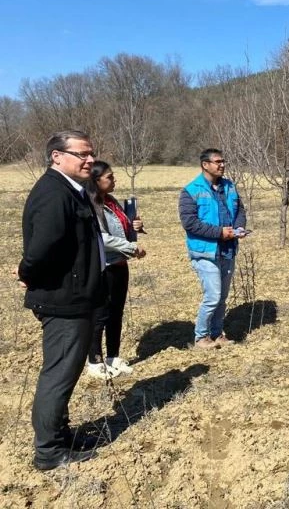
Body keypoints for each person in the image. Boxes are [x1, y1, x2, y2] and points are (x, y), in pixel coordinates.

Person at [18, 130, 105, 470]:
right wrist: (27, 272)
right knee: (58, 374)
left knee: (65, 373)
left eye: (91, 154)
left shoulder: (71, 190)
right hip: (63, 300)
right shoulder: (54, 193)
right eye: (82, 154)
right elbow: (41, 249)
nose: (90, 160)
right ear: (57, 156)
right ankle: (49, 451)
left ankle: (61, 435)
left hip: (75, 296)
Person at [179, 148, 247, 348]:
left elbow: (240, 209)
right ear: (205, 165)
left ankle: (217, 334)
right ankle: (201, 337)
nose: (222, 165)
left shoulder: (230, 187)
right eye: (218, 162)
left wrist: (239, 228)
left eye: (223, 161)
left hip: (228, 249)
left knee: (222, 298)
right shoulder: (191, 191)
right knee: (212, 296)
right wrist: (219, 233)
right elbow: (190, 223)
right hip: (205, 252)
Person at [84, 161, 146, 379]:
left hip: (120, 264)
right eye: (109, 177)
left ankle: (113, 357)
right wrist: (131, 247)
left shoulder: (111, 201)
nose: (114, 180)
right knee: (100, 314)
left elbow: (123, 228)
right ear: (95, 180)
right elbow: (101, 237)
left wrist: (135, 226)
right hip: (103, 266)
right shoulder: (90, 205)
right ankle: (95, 362)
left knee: (116, 312)